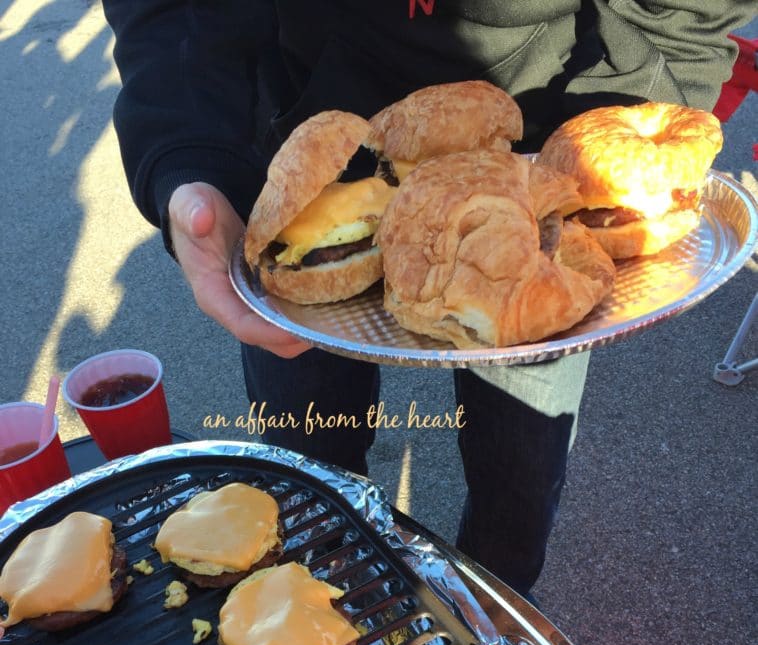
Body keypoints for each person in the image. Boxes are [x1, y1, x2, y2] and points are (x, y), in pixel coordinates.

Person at [100, 0, 749, 599]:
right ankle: (325, 624)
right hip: (307, 149)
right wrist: (188, 143)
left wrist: (615, 147)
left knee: (517, 488)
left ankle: (493, 639)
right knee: (310, 467)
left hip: (540, 175)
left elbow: (688, 10)